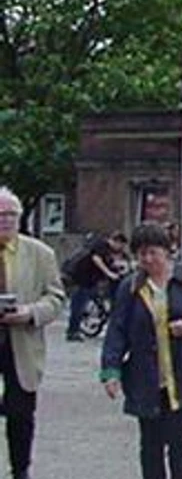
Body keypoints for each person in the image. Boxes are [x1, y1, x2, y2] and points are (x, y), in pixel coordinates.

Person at [100, 223, 182, 479]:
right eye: (141, 253)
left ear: (168, 251)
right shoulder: (130, 288)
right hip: (145, 377)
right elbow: (117, 331)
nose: (147, 259)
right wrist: (110, 371)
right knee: (150, 442)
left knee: (178, 439)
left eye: (153, 252)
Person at [0, 187, 66, 479]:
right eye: (0, 215)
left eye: (11, 215)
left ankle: (20, 470)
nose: (6, 221)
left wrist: (30, 313)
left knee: (20, 415)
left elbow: (56, 298)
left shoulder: (41, 254)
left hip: (21, 345)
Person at [65, 231, 127, 341]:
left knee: (94, 297)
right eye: (120, 245)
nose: (120, 248)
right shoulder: (101, 244)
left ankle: (98, 313)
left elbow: (112, 262)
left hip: (92, 280)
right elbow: (96, 259)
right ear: (115, 241)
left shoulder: (110, 251)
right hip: (81, 278)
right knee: (79, 304)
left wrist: (119, 268)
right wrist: (109, 273)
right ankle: (72, 332)